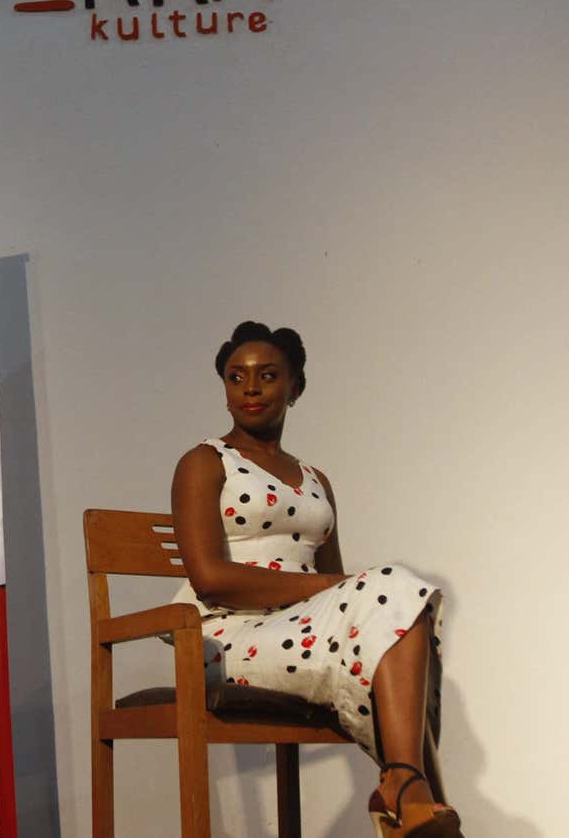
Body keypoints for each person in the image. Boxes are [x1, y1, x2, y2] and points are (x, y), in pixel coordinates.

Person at [170, 321, 462, 838]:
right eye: (236, 378)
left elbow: (342, 588)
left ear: (295, 388)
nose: (251, 388)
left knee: (398, 602)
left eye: (268, 375)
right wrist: (339, 588)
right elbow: (210, 579)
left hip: (302, 630)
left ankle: (402, 782)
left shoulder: (315, 480)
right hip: (222, 638)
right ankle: (413, 792)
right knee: (392, 587)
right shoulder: (204, 462)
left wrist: (347, 587)